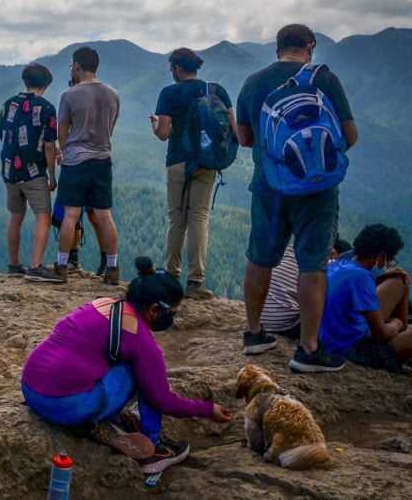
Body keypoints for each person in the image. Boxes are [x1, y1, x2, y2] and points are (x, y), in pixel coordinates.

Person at [21, 259, 233, 474]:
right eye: (172, 313)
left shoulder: (103, 304)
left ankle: (109, 419)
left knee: (110, 362)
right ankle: (153, 450)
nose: (173, 318)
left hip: (30, 389)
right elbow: (162, 400)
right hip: (64, 405)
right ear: (154, 310)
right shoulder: (141, 342)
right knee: (143, 376)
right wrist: (207, 409)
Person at [236, 23, 358, 372]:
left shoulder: (254, 81)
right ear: (311, 46)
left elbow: (245, 138)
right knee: (312, 264)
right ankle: (308, 348)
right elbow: (349, 134)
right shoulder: (325, 80)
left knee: (260, 257)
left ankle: (255, 334)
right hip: (318, 190)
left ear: (277, 47)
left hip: (269, 185)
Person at [150, 48, 237, 300]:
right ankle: (195, 282)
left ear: (177, 68)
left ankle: (171, 276)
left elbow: (164, 133)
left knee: (177, 219)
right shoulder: (215, 90)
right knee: (199, 217)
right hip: (206, 162)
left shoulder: (169, 93)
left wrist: (156, 124)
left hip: (177, 161)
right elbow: (233, 129)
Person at [51, 47, 122, 285]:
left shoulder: (69, 95)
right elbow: (110, 129)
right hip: (103, 159)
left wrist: (67, 149)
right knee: (104, 215)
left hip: (75, 161)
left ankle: (62, 265)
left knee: (70, 214)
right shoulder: (113, 94)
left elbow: (62, 133)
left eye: (72, 66)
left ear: (77, 66)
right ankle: (112, 268)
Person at [319, 224, 412, 372]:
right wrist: (398, 323)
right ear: (381, 256)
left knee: (399, 281)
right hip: (352, 351)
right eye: (390, 260)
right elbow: (381, 334)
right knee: (404, 331)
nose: (389, 264)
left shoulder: (336, 265)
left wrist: (383, 278)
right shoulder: (363, 278)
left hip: (330, 339)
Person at [0, 63, 58, 278]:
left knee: (16, 216)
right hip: (33, 171)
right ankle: (35, 266)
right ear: (47, 84)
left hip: (8, 170)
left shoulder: (7, 105)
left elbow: (2, 136)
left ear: (25, 81)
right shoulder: (47, 108)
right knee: (43, 216)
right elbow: (50, 146)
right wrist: (52, 174)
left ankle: (14, 265)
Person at [261, 239, 350, 339]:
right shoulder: (323, 262)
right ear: (332, 252)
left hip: (261, 321)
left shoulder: (288, 250)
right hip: (285, 326)